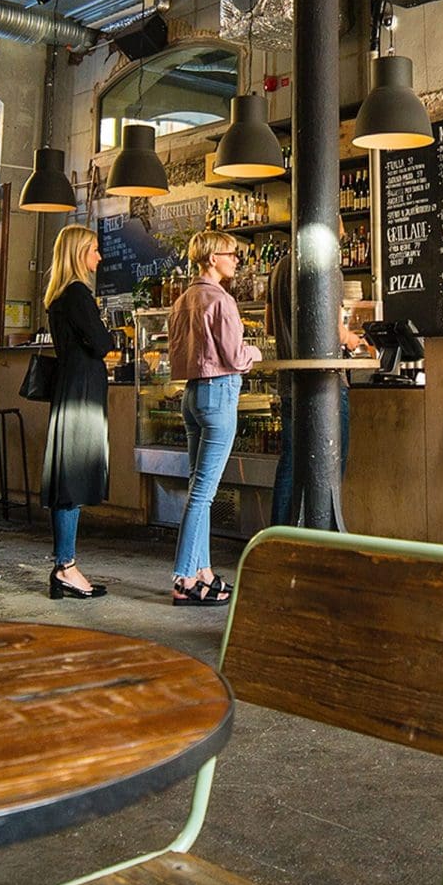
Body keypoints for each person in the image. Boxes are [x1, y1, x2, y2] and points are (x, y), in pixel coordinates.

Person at [168, 230, 261, 605]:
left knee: (197, 489)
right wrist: (254, 351)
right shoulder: (221, 300)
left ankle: (203, 570)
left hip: (191, 395)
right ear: (211, 259)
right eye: (231, 253)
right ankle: (184, 579)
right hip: (218, 393)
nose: (236, 259)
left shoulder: (183, 300)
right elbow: (236, 357)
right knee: (203, 496)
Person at [267, 222, 366, 525]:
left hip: (288, 383)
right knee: (333, 461)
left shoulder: (278, 268)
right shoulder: (329, 269)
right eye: (340, 233)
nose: (344, 238)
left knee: (290, 463)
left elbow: (271, 327)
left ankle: (279, 538)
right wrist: (358, 340)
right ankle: (322, 532)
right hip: (328, 385)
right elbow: (335, 333)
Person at [41, 225, 111, 600]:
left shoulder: (58, 297)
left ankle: (65, 564)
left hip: (70, 389)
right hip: (82, 393)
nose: (99, 257)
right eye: (94, 250)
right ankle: (65, 566)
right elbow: (102, 343)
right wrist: (108, 334)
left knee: (69, 478)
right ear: (79, 252)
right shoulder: (79, 294)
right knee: (73, 481)